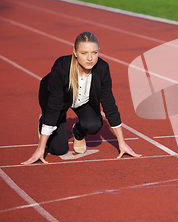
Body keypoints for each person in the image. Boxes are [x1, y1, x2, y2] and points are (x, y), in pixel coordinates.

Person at [22, 32, 141, 164]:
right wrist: (40, 148)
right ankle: (43, 120)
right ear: (75, 52)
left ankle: (78, 133)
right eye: (84, 53)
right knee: (58, 149)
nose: (90, 58)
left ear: (99, 52)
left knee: (94, 125)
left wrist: (122, 143)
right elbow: (54, 106)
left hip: (82, 100)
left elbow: (109, 103)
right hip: (56, 99)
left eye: (94, 52)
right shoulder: (61, 67)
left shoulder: (102, 68)